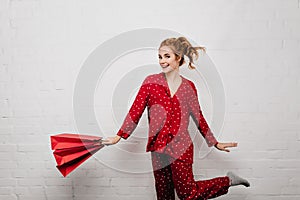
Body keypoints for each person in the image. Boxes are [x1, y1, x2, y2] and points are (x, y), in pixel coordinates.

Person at [102, 37, 250, 200]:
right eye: (160, 57)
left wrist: (214, 142)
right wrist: (119, 136)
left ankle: (227, 181)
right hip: (158, 148)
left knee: (188, 194)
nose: (162, 61)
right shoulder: (150, 82)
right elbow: (135, 111)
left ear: (178, 57)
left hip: (181, 147)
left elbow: (198, 117)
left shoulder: (189, 87)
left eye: (167, 56)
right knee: (164, 195)